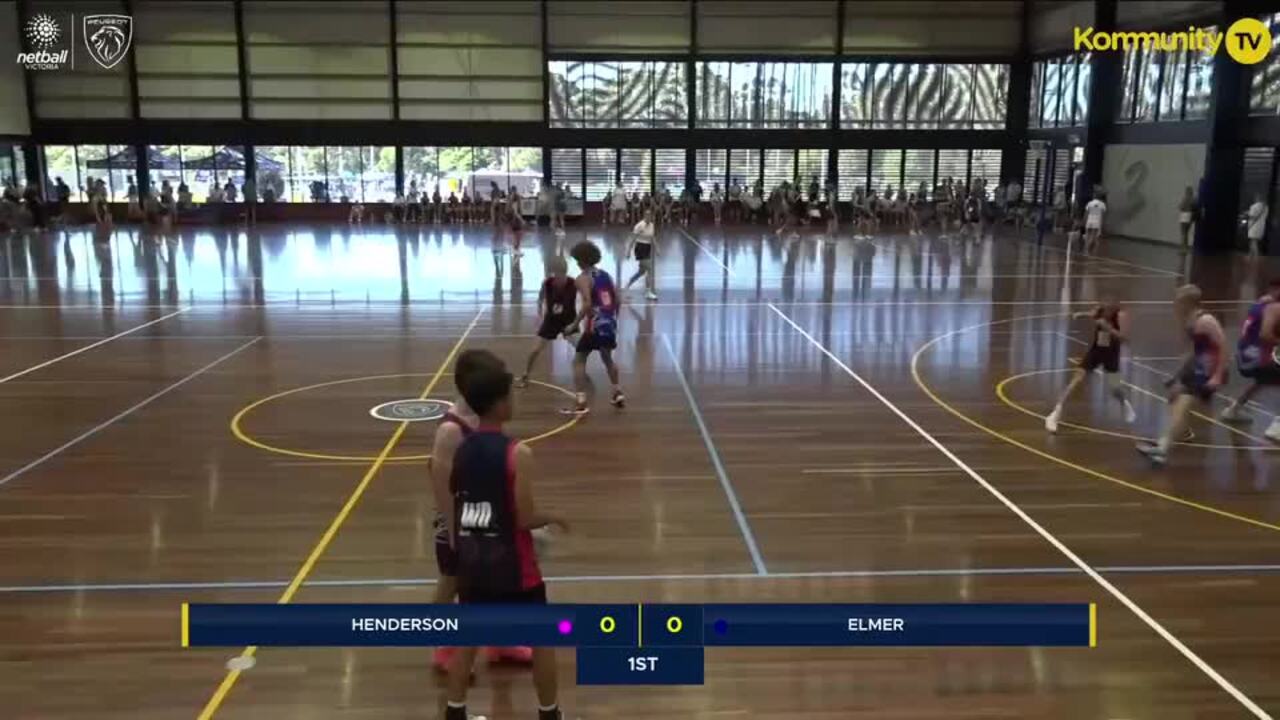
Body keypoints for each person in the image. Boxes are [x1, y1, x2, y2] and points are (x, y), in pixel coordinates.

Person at [441, 356, 567, 720]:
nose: (514, 402)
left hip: (475, 562)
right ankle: (549, 713)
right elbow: (524, 517)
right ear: (498, 404)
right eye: (510, 396)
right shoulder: (518, 453)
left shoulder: (462, 450)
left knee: (467, 640)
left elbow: (463, 502)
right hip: (516, 567)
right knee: (543, 640)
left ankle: (455, 712)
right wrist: (553, 518)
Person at [431, 350, 535, 673]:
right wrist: (454, 535)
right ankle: (443, 648)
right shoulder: (451, 430)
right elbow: (441, 484)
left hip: (488, 516)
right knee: (452, 584)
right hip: (457, 522)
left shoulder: (485, 418)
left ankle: (500, 642)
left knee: (497, 582)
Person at [1138, 285, 1227, 466]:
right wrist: (1177, 375)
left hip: (1208, 370)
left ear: (1188, 302)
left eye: (1178, 300)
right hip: (1196, 366)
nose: (1175, 303)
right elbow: (1192, 351)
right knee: (1173, 396)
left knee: (1182, 404)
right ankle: (1181, 432)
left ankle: (1162, 449)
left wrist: (1217, 376)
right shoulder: (1189, 320)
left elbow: (1223, 347)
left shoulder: (1206, 320)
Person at [1045, 298, 1137, 433]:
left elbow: (1124, 338)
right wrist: (1080, 314)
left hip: (1111, 355)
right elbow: (1092, 313)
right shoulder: (1100, 309)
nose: (1106, 305)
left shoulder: (1121, 315)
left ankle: (1125, 404)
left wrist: (1108, 328)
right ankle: (1054, 414)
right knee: (1076, 380)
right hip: (1096, 352)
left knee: (1115, 388)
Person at [564, 241, 624, 414]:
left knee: (579, 360)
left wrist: (574, 325)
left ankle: (581, 400)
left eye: (577, 259)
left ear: (582, 260)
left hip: (594, 326)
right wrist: (613, 320)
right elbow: (617, 300)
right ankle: (617, 392)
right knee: (607, 358)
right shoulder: (606, 275)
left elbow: (587, 304)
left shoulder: (582, 278)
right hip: (609, 324)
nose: (576, 262)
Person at [1220, 278, 1280, 440]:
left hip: (1244, 356)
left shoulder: (1261, 302)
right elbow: (1265, 335)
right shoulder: (1274, 308)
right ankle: (1277, 427)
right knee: (1271, 373)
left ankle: (1234, 409)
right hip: (1257, 359)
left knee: (1263, 379)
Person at [516, 257, 580, 388]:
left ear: (565, 271)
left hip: (568, 321)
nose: (557, 276)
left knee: (581, 349)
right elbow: (539, 300)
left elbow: (586, 297)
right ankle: (526, 375)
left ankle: (581, 376)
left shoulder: (574, 283)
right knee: (535, 350)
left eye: (560, 273)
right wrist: (539, 315)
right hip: (551, 321)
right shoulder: (547, 283)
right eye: (555, 273)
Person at [624, 209, 658, 301]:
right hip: (640, 248)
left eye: (650, 216)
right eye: (647, 215)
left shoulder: (652, 225)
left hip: (648, 248)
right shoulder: (639, 226)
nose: (649, 217)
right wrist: (628, 251)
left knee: (641, 272)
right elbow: (632, 238)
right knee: (650, 269)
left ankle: (627, 286)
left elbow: (652, 237)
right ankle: (648, 292)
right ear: (644, 216)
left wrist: (657, 248)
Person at [1246, 194, 1269, 258]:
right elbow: (1265, 217)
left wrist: (1248, 214)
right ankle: (1250, 255)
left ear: (1256, 198)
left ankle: (1256, 256)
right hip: (1261, 226)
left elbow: (1252, 216)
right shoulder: (1266, 207)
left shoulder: (1253, 206)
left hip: (1253, 225)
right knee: (1253, 241)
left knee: (1253, 241)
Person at [1177, 186, 1197, 251]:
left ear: (1187, 192)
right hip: (1190, 217)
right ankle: (1186, 247)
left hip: (1184, 216)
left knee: (1183, 233)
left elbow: (1180, 207)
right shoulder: (1194, 199)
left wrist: (1182, 207)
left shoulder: (1185, 199)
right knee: (1186, 233)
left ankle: (1183, 247)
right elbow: (1195, 208)